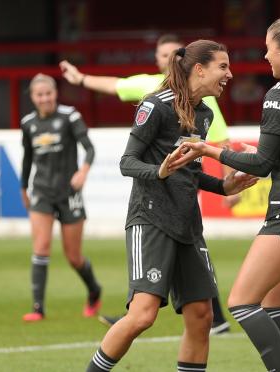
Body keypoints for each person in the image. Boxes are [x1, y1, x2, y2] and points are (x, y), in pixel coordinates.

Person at [170, 16, 280, 372]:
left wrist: (208, 150)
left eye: (268, 49)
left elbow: (263, 164)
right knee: (275, 303)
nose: (265, 57)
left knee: (242, 303)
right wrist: (259, 151)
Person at [85, 40, 257, 372]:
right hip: (150, 220)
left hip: (187, 225)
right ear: (199, 69)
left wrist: (224, 186)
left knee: (202, 316)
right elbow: (127, 162)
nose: (230, 74)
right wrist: (158, 171)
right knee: (143, 315)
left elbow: (189, 173)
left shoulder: (204, 114)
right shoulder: (156, 105)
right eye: (223, 67)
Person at [60, 34, 234, 334]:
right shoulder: (151, 91)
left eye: (173, 53)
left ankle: (214, 318)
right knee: (144, 312)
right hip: (153, 212)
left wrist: (227, 183)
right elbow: (115, 86)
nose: (170, 59)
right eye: (164, 54)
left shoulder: (206, 108)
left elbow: (212, 148)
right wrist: (81, 78)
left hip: (186, 209)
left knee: (199, 301)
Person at [20, 73, 103, 322]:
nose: (45, 98)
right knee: (41, 246)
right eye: (39, 95)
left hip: (69, 193)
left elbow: (89, 148)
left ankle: (94, 290)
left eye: (48, 93)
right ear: (33, 97)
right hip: (42, 191)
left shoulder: (70, 116)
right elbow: (27, 159)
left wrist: (83, 171)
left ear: (55, 93)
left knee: (73, 256)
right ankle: (38, 309)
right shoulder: (28, 123)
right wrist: (23, 187)